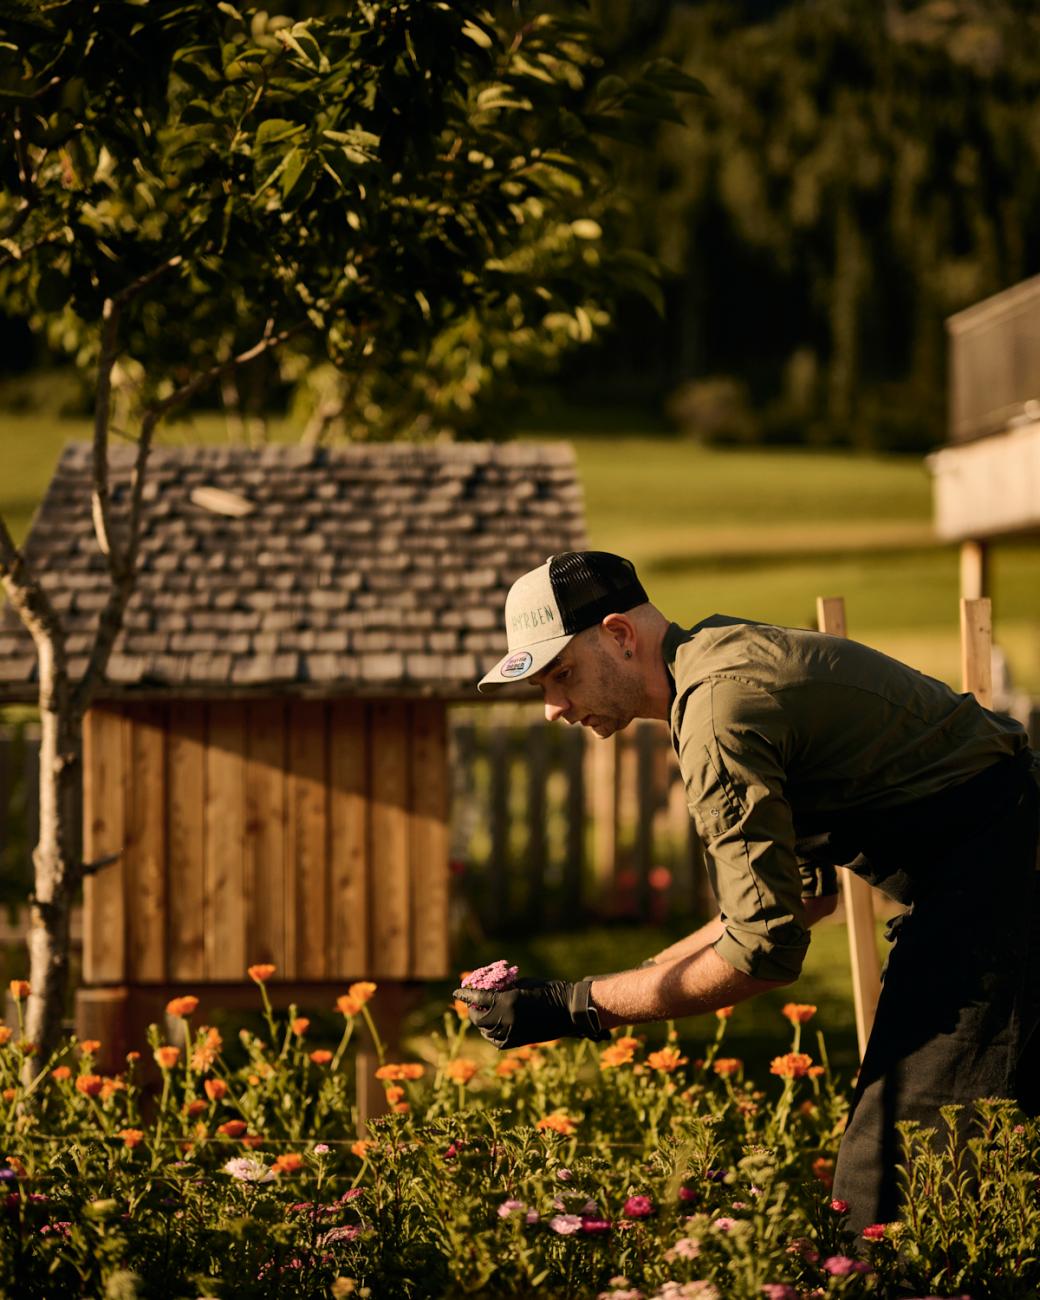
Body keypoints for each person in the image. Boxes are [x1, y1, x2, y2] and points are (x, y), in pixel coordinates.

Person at [453, 550, 1040, 1235]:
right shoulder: (716, 657)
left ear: (618, 635)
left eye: (562, 674)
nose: (553, 707)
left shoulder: (718, 716)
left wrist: (573, 1006)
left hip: (1002, 880)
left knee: (888, 1184)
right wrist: (637, 979)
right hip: (993, 866)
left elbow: (763, 952)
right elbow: (804, 900)